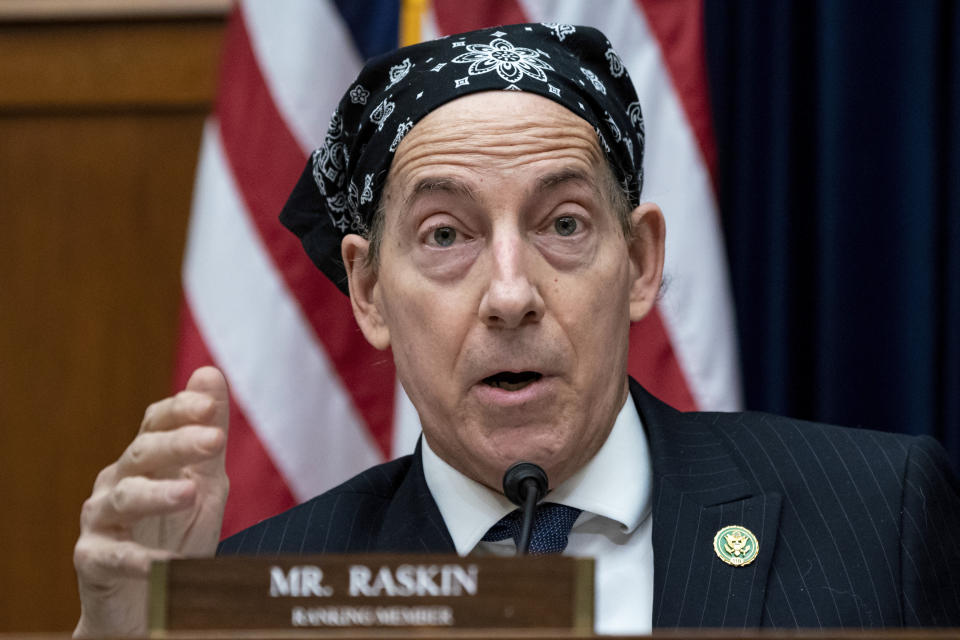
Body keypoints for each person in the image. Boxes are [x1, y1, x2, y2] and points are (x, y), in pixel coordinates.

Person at [73, 24, 960, 637]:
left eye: (563, 224)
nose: (510, 294)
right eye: (447, 235)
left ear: (642, 260)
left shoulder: (878, 513)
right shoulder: (265, 586)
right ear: (370, 291)